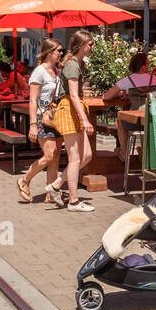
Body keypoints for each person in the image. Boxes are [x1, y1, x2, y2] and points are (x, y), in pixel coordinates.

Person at [45, 29, 96, 212]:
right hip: (69, 109)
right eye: (90, 44)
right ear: (81, 46)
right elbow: (73, 96)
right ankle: (74, 201)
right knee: (75, 158)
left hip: (73, 109)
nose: (92, 47)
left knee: (86, 155)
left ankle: (56, 185)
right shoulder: (73, 65)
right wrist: (85, 120)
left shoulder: (76, 63)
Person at [18, 38, 63, 204]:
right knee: (49, 155)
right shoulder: (39, 72)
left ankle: (51, 193)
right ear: (50, 52)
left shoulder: (56, 71)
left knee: (56, 156)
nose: (61, 53)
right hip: (41, 116)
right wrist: (33, 125)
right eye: (58, 50)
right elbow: (33, 100)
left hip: (55, 116)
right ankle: (24, 179)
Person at [102, 50, 156, 164]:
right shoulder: (154, 80)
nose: (149, 66)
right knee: (145, 127)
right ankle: (144, 154)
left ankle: (124, 152)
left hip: (136, 121)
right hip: (154, 120)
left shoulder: (128, 80)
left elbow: (106, 97)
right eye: (147, 64)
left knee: (121, 121)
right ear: (142, 66)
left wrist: (120, 94)